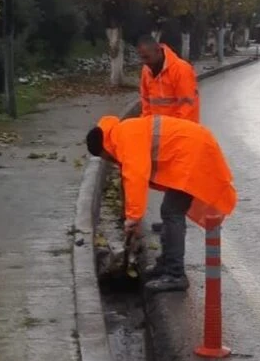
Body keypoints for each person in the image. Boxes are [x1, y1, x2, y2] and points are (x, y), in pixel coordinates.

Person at [86, 114, 238, 293]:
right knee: (170, 210)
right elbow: (128, 178)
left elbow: (135, 176)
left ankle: (175, 275)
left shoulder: (125, 138)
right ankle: (167, 264)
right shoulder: (121, 135)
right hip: (190, 150)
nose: (109, 160)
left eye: (106, 157)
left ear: (104, 148)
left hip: (193, 153)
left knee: (172, 212)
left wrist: (133, 218)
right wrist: (129, 215)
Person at [136, 35, 201, 233]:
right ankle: (171, 222)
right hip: (160, 136)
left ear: (158, 50)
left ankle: (174, 224)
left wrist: (176, 136)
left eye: (147, 57)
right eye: (141, 58)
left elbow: (187, 107)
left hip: (180, 137)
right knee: (169, 181)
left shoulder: (180, 69)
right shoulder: (147, 71)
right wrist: (144, 132)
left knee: (177, 184)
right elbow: (147, 105)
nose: (145, 62)